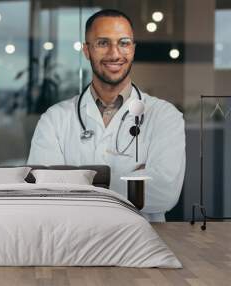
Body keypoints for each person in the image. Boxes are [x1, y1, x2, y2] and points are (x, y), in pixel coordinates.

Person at [27, 9, 186, 222]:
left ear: (133, 48)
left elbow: (165, 192)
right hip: (73, 241)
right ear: (86, 50)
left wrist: (77, 181)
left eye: (124, 43)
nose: (115, 53)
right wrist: (133, 180)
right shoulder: (55, 119)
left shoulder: (165, 116)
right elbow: (43, 192)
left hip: (141, 243)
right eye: (103, 43)